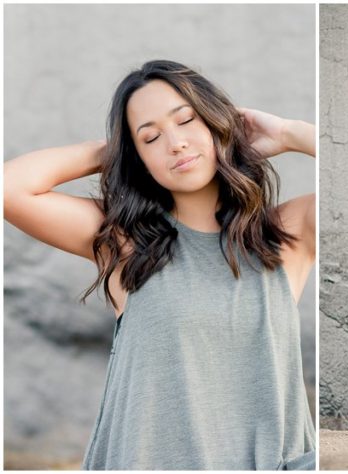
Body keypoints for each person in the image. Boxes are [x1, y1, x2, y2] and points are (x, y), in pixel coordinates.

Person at [3, 60, 316, 469]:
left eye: (187, 120)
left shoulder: (284, 233)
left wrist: (289, 133)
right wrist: (114, 151)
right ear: (138, 158)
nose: (176, 143)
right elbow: (10, 189)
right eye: (150, 138)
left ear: (215, 123)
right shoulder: (126, 242)